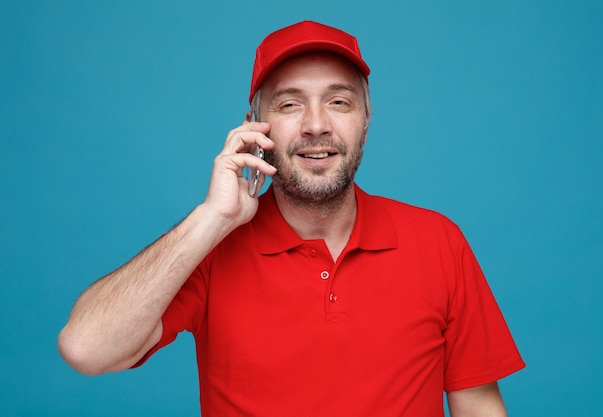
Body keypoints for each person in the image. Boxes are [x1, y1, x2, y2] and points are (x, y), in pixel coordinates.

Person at [58, 20, 525, 416]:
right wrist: (212, 218)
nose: (316, 124)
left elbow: (480, 407)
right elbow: (86, 349)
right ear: (253, 127)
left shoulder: (438, 241)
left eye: (339, 102)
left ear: (367, 118)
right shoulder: (211, 247)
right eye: (289, 103)